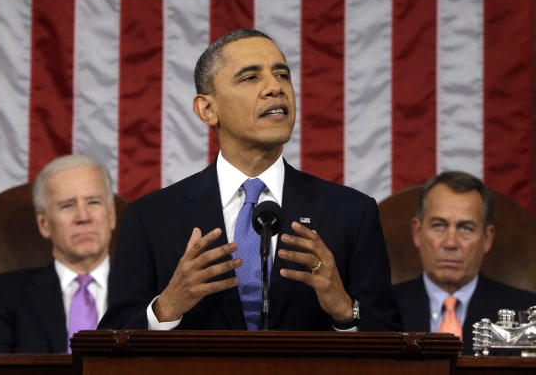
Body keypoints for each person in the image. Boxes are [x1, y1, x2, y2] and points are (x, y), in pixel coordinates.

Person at [98, 28, 401, 332]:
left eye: (282, 75)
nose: (275, 88)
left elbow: (391, 343)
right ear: (207, 109)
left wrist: (344, 309)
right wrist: (166, 307)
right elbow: (110, 346)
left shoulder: (351, 214)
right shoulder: (151, 218)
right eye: (250, 78)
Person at [0, 154, 117, 353]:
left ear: (111, 215)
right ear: (44, 224)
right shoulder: (1, 294)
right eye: (67, 205)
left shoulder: (150, 291)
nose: (83, 217)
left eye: (93, 202)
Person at [392, 171, 536, 355]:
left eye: (466, 228)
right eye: (439, 225)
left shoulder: (527, 314)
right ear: (417, 232)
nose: (451, 243)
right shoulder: (381, 309)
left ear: (487, 238)